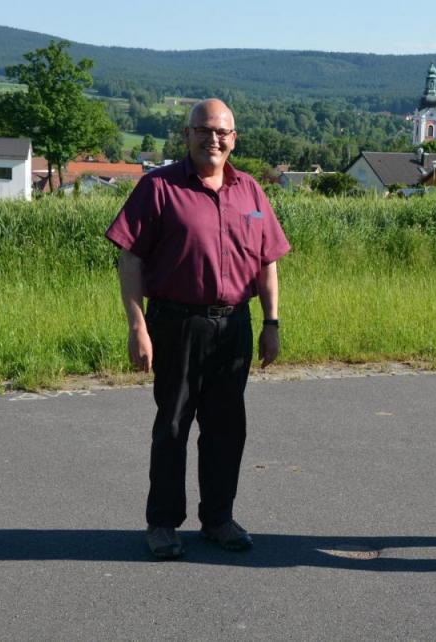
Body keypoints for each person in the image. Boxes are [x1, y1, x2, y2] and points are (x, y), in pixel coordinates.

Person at [105, 98, 290, 557]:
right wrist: (137, 326)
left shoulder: (250, 191)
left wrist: (271, 322)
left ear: (234, 139)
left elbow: (267, 263)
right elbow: (130, 259)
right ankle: (163, 524)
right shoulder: (159, 187)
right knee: (173, 426)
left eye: (222, 132)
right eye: (204, 130)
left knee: (227, 428)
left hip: (234, 326)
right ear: (187, 135)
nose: (213, 139)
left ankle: (219, 519)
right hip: (177, 324)